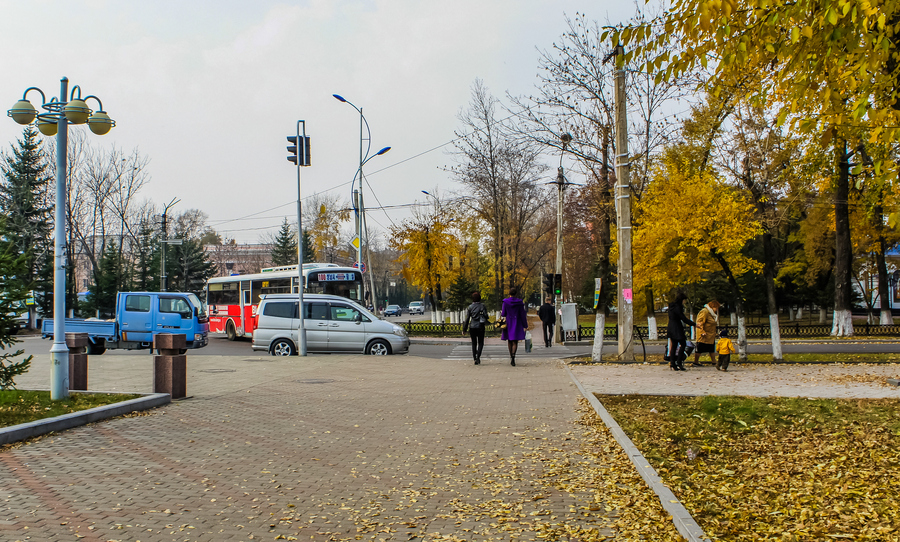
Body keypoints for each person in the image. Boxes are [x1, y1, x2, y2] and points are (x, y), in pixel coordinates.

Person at [666, 292, 695, 371]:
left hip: (671, 327)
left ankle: (672, 363)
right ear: (682, 300)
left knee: (674, 346)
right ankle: (679, 362)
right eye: (684, 300)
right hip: (677, 327)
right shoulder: (678, 307)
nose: (684, 302)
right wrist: (694, 324)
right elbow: (683, 318)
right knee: (683, 344)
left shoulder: (671, 306)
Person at [500, 287, 528, 367]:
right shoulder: (519, 302)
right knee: (515, 341)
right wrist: (525, 325)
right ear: (516, 294)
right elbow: (522, 314)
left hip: (509, 322)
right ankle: (513, 355)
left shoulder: (505, 302)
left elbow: (503, 313)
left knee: (509, 340)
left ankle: (511, 356)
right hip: (517, 322)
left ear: (509, 293)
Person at [462, 291, 488, 365]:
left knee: (474, 343)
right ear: (479, 298)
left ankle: (474, 358)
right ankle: (478, 358)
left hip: (472, 327)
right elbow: (486, 315)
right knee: (480, 342)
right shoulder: (482, 306)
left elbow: (467, 319)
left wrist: (464, 329)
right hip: (480, 326)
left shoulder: (470, 307)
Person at [693, 300, 720, 367]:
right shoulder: (705, 312)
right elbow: (700, 322)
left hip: (710, 335)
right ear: (713, 306)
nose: (717, 310)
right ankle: (696, 362)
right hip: (704, 335)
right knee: (699, 349)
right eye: (716, 308)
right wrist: (702, 332)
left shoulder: (712, 314)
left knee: (711, 349)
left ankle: (714, 362)